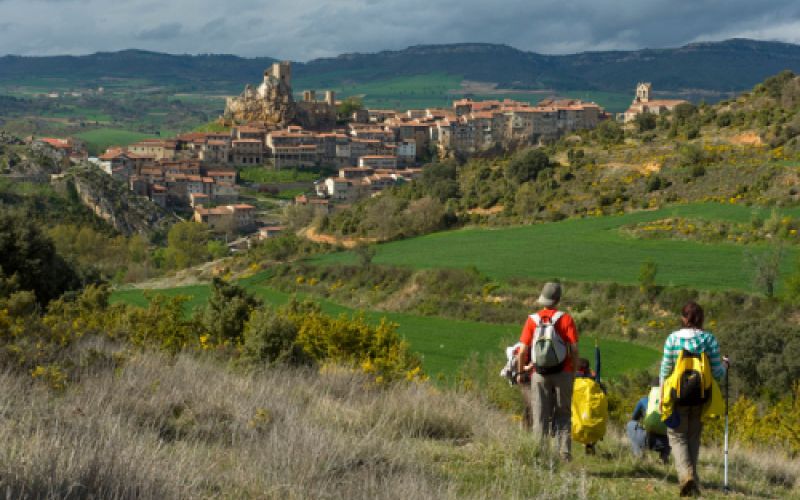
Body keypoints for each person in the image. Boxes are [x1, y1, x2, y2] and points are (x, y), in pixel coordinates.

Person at [659, 301, 727, 497]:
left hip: (677, 395)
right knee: (693, 437)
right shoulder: (709, 340)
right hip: (701, 396)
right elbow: (717, 373)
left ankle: (685, 476)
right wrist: (725, 365)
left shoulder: (673, 338)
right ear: (701, 319)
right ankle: (693, 481)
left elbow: (665, 369)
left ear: (683, 318)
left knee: (677, 437)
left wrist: (662, 394)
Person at [516, 282, 579, 461]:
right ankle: (564, 453)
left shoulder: (532, 320)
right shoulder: (566, 319)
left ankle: (539, 454)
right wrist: (572, 372)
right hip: (563, 372)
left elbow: (522, 351)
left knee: (540, 414)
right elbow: (574, 350)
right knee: (563, 413)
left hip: (539, 374)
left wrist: (521, 373)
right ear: (558, 299)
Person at [626, 379, 671, 464]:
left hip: (646, 439)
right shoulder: (670, 401)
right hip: (664, 443)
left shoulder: (643, 400)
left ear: (651, 389)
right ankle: (664, 455)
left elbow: (634, 418)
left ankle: (638, 454)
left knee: (630, 424)